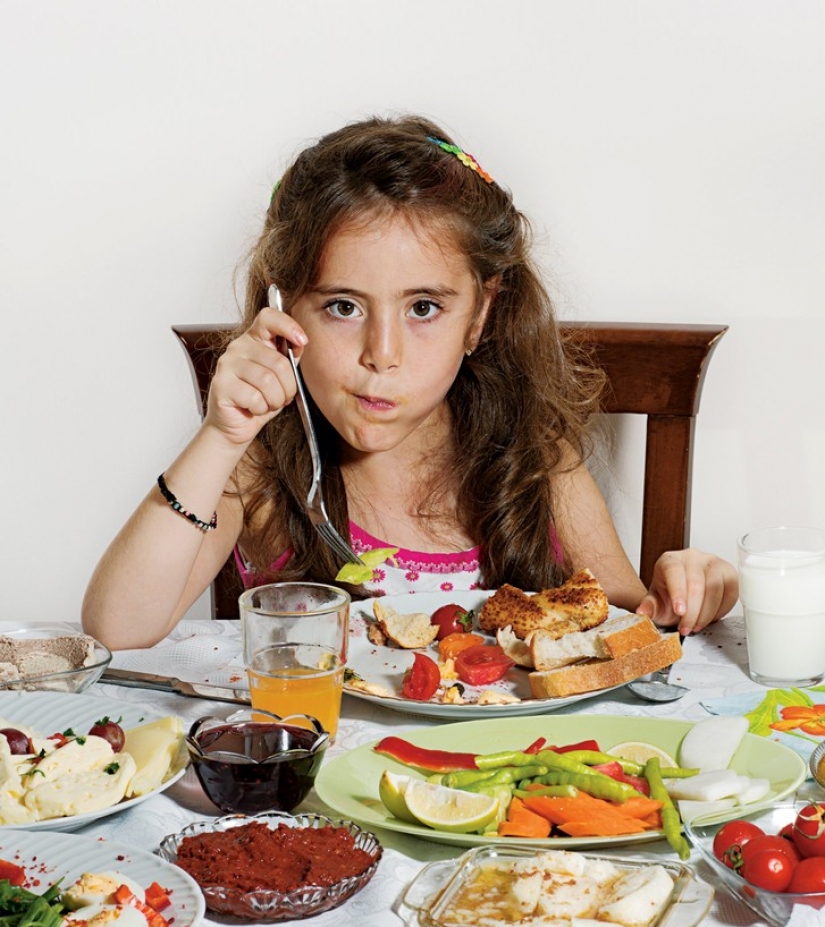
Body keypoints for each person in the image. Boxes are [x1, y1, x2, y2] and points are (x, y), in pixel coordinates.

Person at [82, 114, 738, 650]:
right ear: (282, 311)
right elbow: (119, 627)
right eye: (342, 306)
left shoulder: (534, 459)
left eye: (423, 308)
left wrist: (681, 587)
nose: (382, 354)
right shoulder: (257, 473)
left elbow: (625, 623)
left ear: (478, 315)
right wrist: (222, 436)